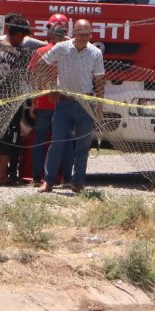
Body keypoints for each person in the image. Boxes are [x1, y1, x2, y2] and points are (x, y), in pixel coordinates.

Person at [37, 19, 105, 193]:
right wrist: (50, 86)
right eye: (80, 34)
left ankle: (78, 182)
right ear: (74, 33)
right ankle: (49, 181)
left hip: (86, 104)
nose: (83, 37)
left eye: (87, 34)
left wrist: (99, 105)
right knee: (57, 142)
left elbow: (99, 80)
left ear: (91, 34)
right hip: (64, 103)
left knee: (83, 146)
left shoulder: (95, 53)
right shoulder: (61, 48)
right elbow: (41, 64)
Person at [0, 14, 42, 185]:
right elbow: (27, 76)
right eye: (22, 37)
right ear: (15, 33)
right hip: (11, 101)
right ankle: (2, 174)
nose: (23, 40)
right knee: (10, 137)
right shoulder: (18, 54)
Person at [27, 13, 72, 186]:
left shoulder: (40, 52)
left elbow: (31, 78)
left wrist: (33, 101)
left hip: (44, 103)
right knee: (66, 142)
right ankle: (67, 178)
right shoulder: (72, 53)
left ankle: (37, 178)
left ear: (50, 29)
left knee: (40, 141)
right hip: (65, 103)